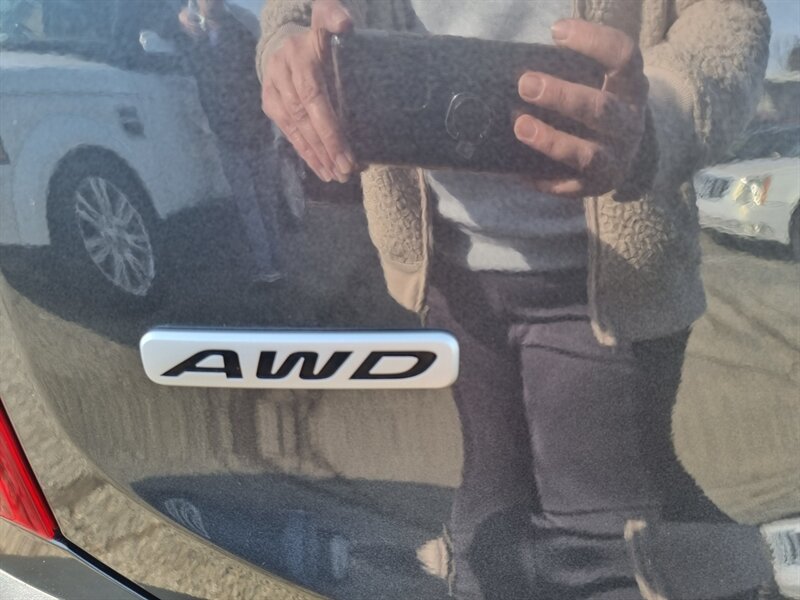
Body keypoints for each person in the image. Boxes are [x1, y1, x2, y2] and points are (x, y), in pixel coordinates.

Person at [258, 1, 770, 598]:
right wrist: (284, 48)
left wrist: (661, 116)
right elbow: (291, 14)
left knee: (607, 537)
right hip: (446, 273)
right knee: (489, 514)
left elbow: (727, 14)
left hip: (608, 279)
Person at [176, 0, 283, 285]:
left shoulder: (244, 28)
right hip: (228, 136)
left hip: (257, 133)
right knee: (249, 206)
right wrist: (179, 15)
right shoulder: (194, 37)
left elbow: (263, 75)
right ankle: (267, 266)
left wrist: (269, 122)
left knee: (265, 203)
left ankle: (274, 263)